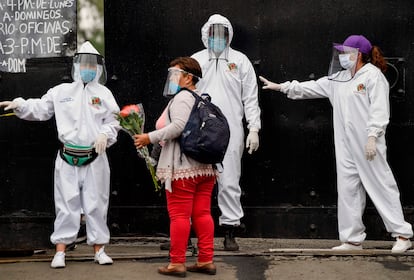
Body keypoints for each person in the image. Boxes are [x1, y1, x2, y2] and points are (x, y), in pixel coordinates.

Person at [260, 35, 413, 252]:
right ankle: (352, 239)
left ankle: (402, 235)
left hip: (369, 144)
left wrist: (373, 136)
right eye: (340, 52)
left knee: (381, 185)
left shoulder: (372, 76)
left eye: (346, 52)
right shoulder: (338, 79)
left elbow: (379, 109)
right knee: (348, 189)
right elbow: (310, 87)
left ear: (358, 54)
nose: (342, 56)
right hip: (346, 145)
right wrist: (281, 87)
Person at [0, 41, 121, 267]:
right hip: (67, 156)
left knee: (97, 203)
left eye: (92, 65)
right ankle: (61, 251)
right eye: (84, 64)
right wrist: (19, 105)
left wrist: (105, 134)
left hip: (96, 156)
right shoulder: (61, 92)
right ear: (76, 66)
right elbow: (41, 108)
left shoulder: (104, 94)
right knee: (66, 203)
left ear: (98, 68)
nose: (88, 68)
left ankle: (99, 249)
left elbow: (114, 121)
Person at [134, 57, 217, 277]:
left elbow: (178, 127)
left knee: (180, 216)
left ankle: (177, 263)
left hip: (182, 169)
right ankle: (206, 260)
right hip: (205, 168)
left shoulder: (182, 97)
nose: (171, 77)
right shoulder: (203, 98)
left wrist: (148, 138)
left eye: (175, 73)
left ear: (189, 77)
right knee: (202, 214)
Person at [191, 14, 261, 251]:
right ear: (206, 35)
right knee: (193, 179)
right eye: (213, 34)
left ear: (229, 35)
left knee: (229, 179)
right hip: (199, 129)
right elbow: (182, 93)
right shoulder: (196, 61)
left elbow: (250, 98)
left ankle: (230, 229)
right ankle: (189, 233)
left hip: (231, 130)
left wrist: (254, 128)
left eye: (222, 34)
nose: (218, 39)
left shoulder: (240, 61)